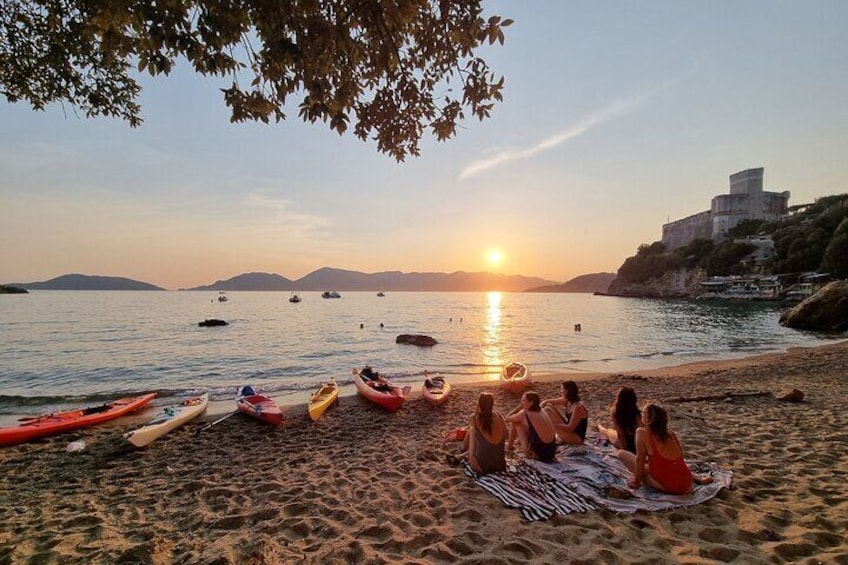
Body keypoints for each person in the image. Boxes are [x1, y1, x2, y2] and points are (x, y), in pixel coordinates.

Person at [618, 403, 695, 494]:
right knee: (653, 464)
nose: (641, 414)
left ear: (649, 418)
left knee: (622, 454)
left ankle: (645, 478)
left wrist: (636, 482)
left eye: (643, 412)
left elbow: (640, 459)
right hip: (686, 482)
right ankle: (696, 479)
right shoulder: (671, 434)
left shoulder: (642, 432)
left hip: (673, 486)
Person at [459, 393, 507, 474]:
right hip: (500, 466)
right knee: (475, 433)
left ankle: (463, 449)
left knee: (472, 431)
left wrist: (479, 470)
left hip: (482, 467)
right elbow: (507, 434)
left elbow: (471, 456)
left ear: (479, 404)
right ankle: (463, 451)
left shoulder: (474, 419)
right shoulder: (498, 415)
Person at [506, 392, 558, 462]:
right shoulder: (542, 411)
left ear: (531, 403)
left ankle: (509, 446)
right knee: (523, 423)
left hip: (539, 454)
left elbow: (508, 418)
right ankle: (516, 443)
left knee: (516, 422)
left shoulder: (525, 413)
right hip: (551, 453)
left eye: (523, 401)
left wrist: (519, 407)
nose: (522, 402)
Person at [541, 381, 588, 445]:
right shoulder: (567, 401)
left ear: (567, 391)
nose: (561, 391)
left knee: (550, 424)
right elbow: (546, 402)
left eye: (562, 389)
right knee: (548, 408)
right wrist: (537, 410)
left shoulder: (577, 407)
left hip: (576, 438)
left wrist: (552, 425)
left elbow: (570, 428)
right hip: (569, 432)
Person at [597, 387, 642, 453]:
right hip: (636, 443)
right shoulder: (637, 414)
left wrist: (623, 447)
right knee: (612, 432)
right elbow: (639, 431)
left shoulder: (615, 411)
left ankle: (599, 426)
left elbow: (620, 432)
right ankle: (599, 426)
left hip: (624, 442)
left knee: (608, 432)